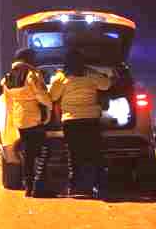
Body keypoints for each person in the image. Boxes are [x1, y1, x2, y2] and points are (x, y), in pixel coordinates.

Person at [47, 49, 111, 197]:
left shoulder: (61, 78)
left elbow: (53, 96)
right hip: (90, 120)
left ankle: (75, 187)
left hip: (71, 122)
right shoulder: (91, 75)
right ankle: (99, 185)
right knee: (94, 154)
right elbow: (106, 85)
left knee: (74, 155)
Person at [1, 47, 52, 196]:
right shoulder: (32, 74)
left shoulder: (8, 77)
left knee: (28, 154)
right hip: (34, 118)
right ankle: (38, 187)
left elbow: (8, 101)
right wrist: (50, 104)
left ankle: (29, 186)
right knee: (41, 152)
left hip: (20, 118)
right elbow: (41, 95)